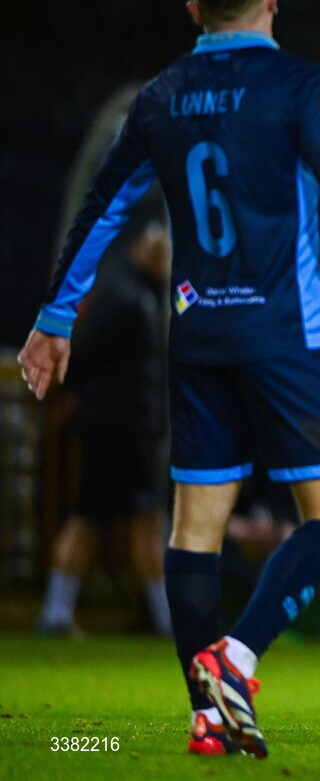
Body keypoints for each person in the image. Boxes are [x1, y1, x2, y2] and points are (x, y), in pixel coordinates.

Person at [18, 0, 320, 759]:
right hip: (287, 335)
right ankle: (234, 661)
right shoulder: (302, 87)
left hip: (197, 333)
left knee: (195, 527)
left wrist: (54, 319)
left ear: (195, 11)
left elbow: (100, 210)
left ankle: (206, 715)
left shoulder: (161, 95)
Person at [36, 222, 172, 639]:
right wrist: (75, 397)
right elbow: (84, 349)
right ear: (141, 246)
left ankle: (61, 612)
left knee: (118, 518)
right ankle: (165, 620)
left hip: (127, 428)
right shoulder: (125, 294)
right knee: (116, 517)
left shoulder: (139, 293)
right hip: (116, 428)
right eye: (160, 244)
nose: (165, 254)